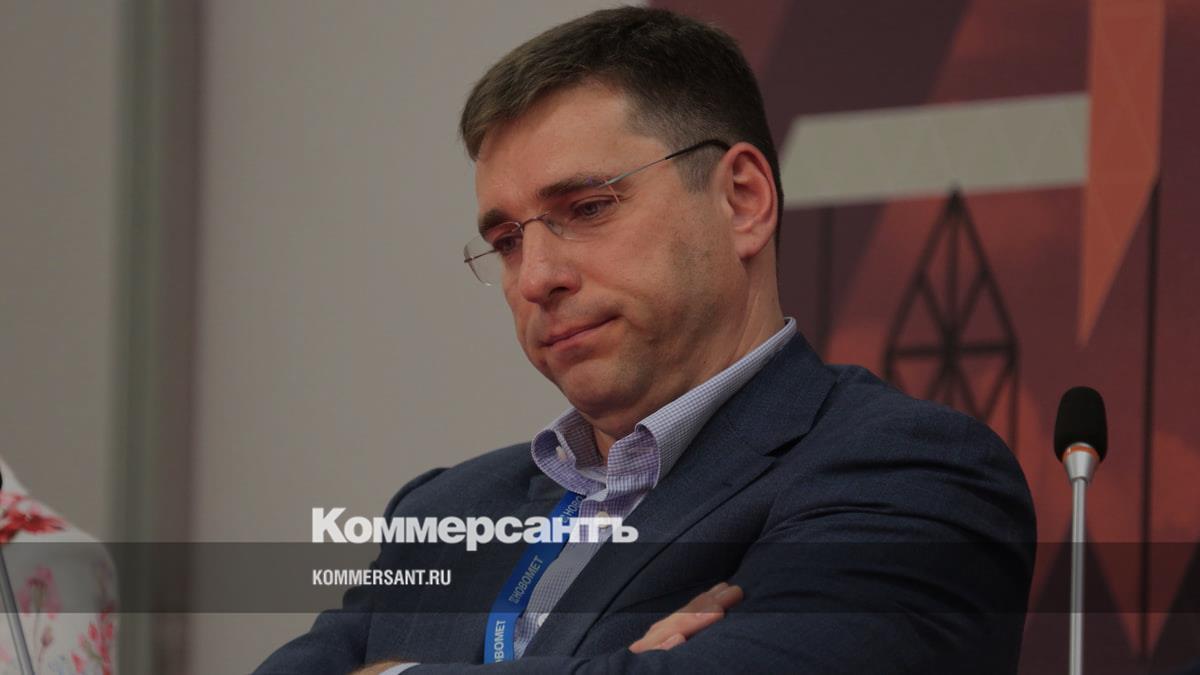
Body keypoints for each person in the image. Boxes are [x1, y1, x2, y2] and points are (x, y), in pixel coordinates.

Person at [256, 7, 1035, 674]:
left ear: (742, 201)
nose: (536, 277)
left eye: (588, 207)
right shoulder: (444, 510)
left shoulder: (907, 474)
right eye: (506, 241)